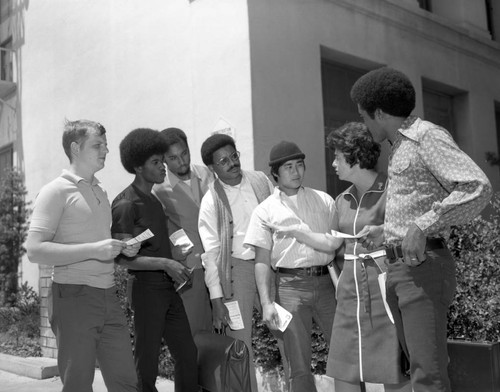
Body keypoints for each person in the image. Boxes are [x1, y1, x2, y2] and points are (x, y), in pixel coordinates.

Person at [350, 67, 492, 392]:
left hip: (422, 269)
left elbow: (477, 185)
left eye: (364, 115)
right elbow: (418, 198)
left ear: (381, 112)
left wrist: (422, 224)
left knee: (428, 375)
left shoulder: (427, 136)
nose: (364, 123)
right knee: (417, 373)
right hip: (401, 270)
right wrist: (388, 233)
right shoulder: (398, 146)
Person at [26, 119, 139, 392]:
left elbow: (95, 244)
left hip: (108, 295)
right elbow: (34, 249)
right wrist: (94, 250)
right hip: (73, 297)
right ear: (76, 148)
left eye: (106, 145)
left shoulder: (100, 190)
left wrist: (121, 248)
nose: (106, 151)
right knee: (78, 384)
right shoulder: (55, 191)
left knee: (126, 382)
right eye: (98, 145)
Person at [244, 141, 341, 392]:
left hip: (326, 284)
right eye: (288, 166)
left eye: (299, 165)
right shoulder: (264, 211)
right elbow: (262, 261)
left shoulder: (325, 200)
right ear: (274, 173)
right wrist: (266, 303)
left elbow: (337, 247)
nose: (296, 171)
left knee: (347, 350)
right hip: (290, 287)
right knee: (298, 362)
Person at [324, 122, 411, 392]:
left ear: (355, 156)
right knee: (344, 371)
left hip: (385, 293)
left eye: (337, 157)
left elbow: (411, 234)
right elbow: (332, 249)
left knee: (394, 369)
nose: (334, 164)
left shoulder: (393, 190)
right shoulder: (341, 200)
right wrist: (337, 283)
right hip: (348, 298)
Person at [111, 128, 198, 392]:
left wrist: (175, 257)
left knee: (187, 354)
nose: (163, 167)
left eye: (163, 161)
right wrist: (166, 264)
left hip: (168, 288)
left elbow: (153, 247)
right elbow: (122, 260)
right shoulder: (126, 204)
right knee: (147, 363)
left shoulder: (153, 199)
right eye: (156, 162)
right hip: (146, 290)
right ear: (138, 167)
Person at [197, 133, 275, 392]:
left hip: (269, 266)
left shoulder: (261, 181)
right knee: (240, 345)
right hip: (236, 272)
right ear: (212, 168)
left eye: (234, 156)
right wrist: (216, 299)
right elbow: (211, 255)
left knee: (287, 332)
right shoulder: (210, 201)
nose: (232, 163)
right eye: (223, 160)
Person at [152, 127, 213, 336]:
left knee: (224, 333)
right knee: (194, 333)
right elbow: (160, 229)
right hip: (191, 270)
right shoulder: (159, 189)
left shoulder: (207, 174)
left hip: (219, 264)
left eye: (185, 153)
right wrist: (173, 253)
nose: (182, 161)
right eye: (174, 157)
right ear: (164, 160)